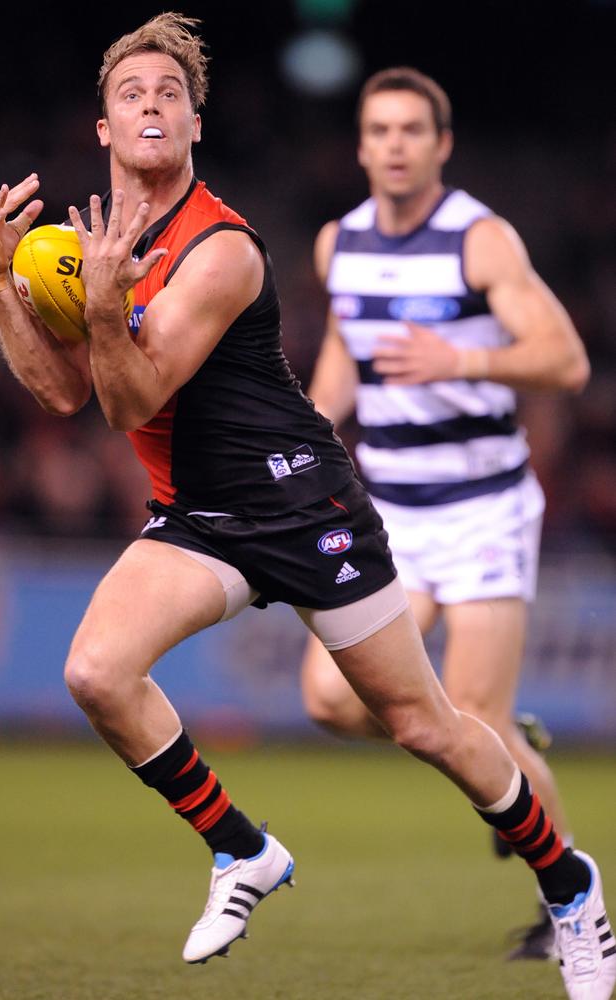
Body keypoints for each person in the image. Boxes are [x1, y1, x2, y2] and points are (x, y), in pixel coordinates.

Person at [0, 15, 615, 998]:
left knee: (425, 723)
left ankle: (568, 884)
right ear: (101, 129)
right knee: (97, 670)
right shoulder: (97, 245)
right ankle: (242, 848)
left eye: (168, 93)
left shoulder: (222, 247)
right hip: (200, 515)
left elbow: (128, 399)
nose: (150, 104)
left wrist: (103, 310)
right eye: (129, 94)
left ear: (196, 122)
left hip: (301, 502)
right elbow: (63, 393)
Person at [300, 66, 593, 961]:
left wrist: (461, 362)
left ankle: (566, 895)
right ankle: (501, 739)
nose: (394, 145)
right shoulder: (336, 244)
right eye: (379, 130)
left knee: (473, 713)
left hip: (484, 508)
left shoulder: (480, 241)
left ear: (441, 145)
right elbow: (346, 350)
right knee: (327, 702)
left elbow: (566, 360)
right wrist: (311, 438)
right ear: (361, 146)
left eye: (411, 131)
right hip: (391, 508)